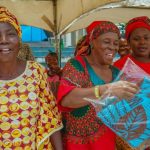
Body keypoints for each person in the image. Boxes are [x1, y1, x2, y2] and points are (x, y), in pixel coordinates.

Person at [57, 21, 139, 150]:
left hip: (109, 144)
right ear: (92, 42)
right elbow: (68, 100)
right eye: (106, 42)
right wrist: (106, 89)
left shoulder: (116, 73)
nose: (112, 47)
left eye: (115, 43)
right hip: (79, 146)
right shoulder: (77, 65)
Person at [0, 6, 63, 150]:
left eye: (10, 34)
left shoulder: (35, 71)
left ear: (19, 37)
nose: (4, 40)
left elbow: (51, 119)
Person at [114, 16, 150, 150]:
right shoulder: (119, 67)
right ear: (128, 42)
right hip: (133, 132)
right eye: (136, 39)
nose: (142, 42)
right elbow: (113, 101)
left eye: (146, 38)